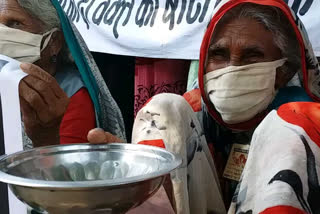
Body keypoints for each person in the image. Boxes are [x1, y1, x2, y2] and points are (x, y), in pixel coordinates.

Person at [91, 0, 320, 213]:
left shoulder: (305, 123)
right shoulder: (190, 113)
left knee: (291, 126)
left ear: (284, 71)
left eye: (252, 56)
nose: (231, 69)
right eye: (219, 55)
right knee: (163, 109)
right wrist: (138, 171)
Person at [0, 0, 126, 148]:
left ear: (54, 42)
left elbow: (66, 168)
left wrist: (46, 137)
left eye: (15, 24)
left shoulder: (71, 94)